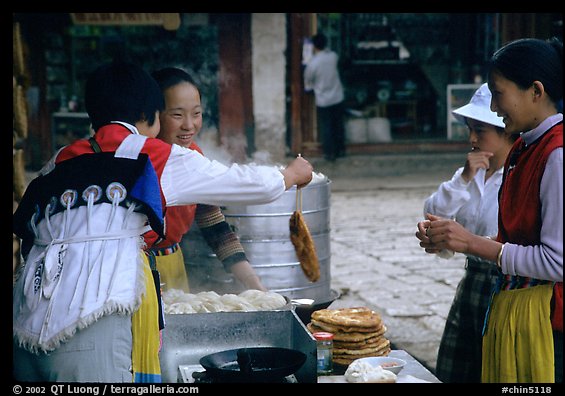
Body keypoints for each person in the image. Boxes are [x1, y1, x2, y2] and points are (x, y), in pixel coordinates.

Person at [12, 59, 313, 382]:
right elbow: (241, 184)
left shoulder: (57, 161)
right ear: (150, 115)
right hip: (89, 328)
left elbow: (24, 234)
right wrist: (290, 175)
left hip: (23, 328)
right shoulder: (152, 155)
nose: (188, 124)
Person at [416, 37, 563, 383]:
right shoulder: (526, 150)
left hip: (543, 318)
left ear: (535, 91)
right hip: (512, 308)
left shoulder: (556, 155)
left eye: (499, 94)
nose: (496, 107)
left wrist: (471, 243)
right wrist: (450, 239)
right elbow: (516, 237)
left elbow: (557, 262)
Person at [425, 83, 518, 383]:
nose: (472, 138)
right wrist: (464, 178)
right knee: (455, 369)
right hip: (471, 282)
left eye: (480, 130)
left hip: (505, 286)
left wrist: (466, 241)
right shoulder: (472, 172)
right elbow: (435, 209)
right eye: (470, 129)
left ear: (506, 130)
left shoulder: (519, 172)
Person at [147, 66, 265, 292]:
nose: (189, 125)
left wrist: (253, 283)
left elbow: (213, 223)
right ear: (154, 115)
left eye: (196, 113)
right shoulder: (143, 159)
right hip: (140, 271)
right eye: (177, 115)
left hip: (174, 265)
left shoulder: (194, 156)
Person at [304, 32, 346, 161]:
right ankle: (340, 150)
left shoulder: (313, 64)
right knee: (338, 124)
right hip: (337, 95)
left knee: (327, 126)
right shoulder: (333, 56)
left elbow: (308, 82)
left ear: (314, 46)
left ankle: (329, 153)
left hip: (323, 99)